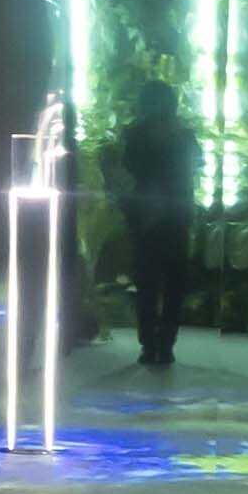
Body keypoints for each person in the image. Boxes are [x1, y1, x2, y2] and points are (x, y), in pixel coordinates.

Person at [101, 70, 195, 372]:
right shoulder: (184, 136)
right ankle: (166, 345)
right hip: (177, 216)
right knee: (175, 283)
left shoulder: (135, 136)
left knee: (147, 282)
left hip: (145, 218)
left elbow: (128, 174)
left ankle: (149, 344)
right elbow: (193, 169)